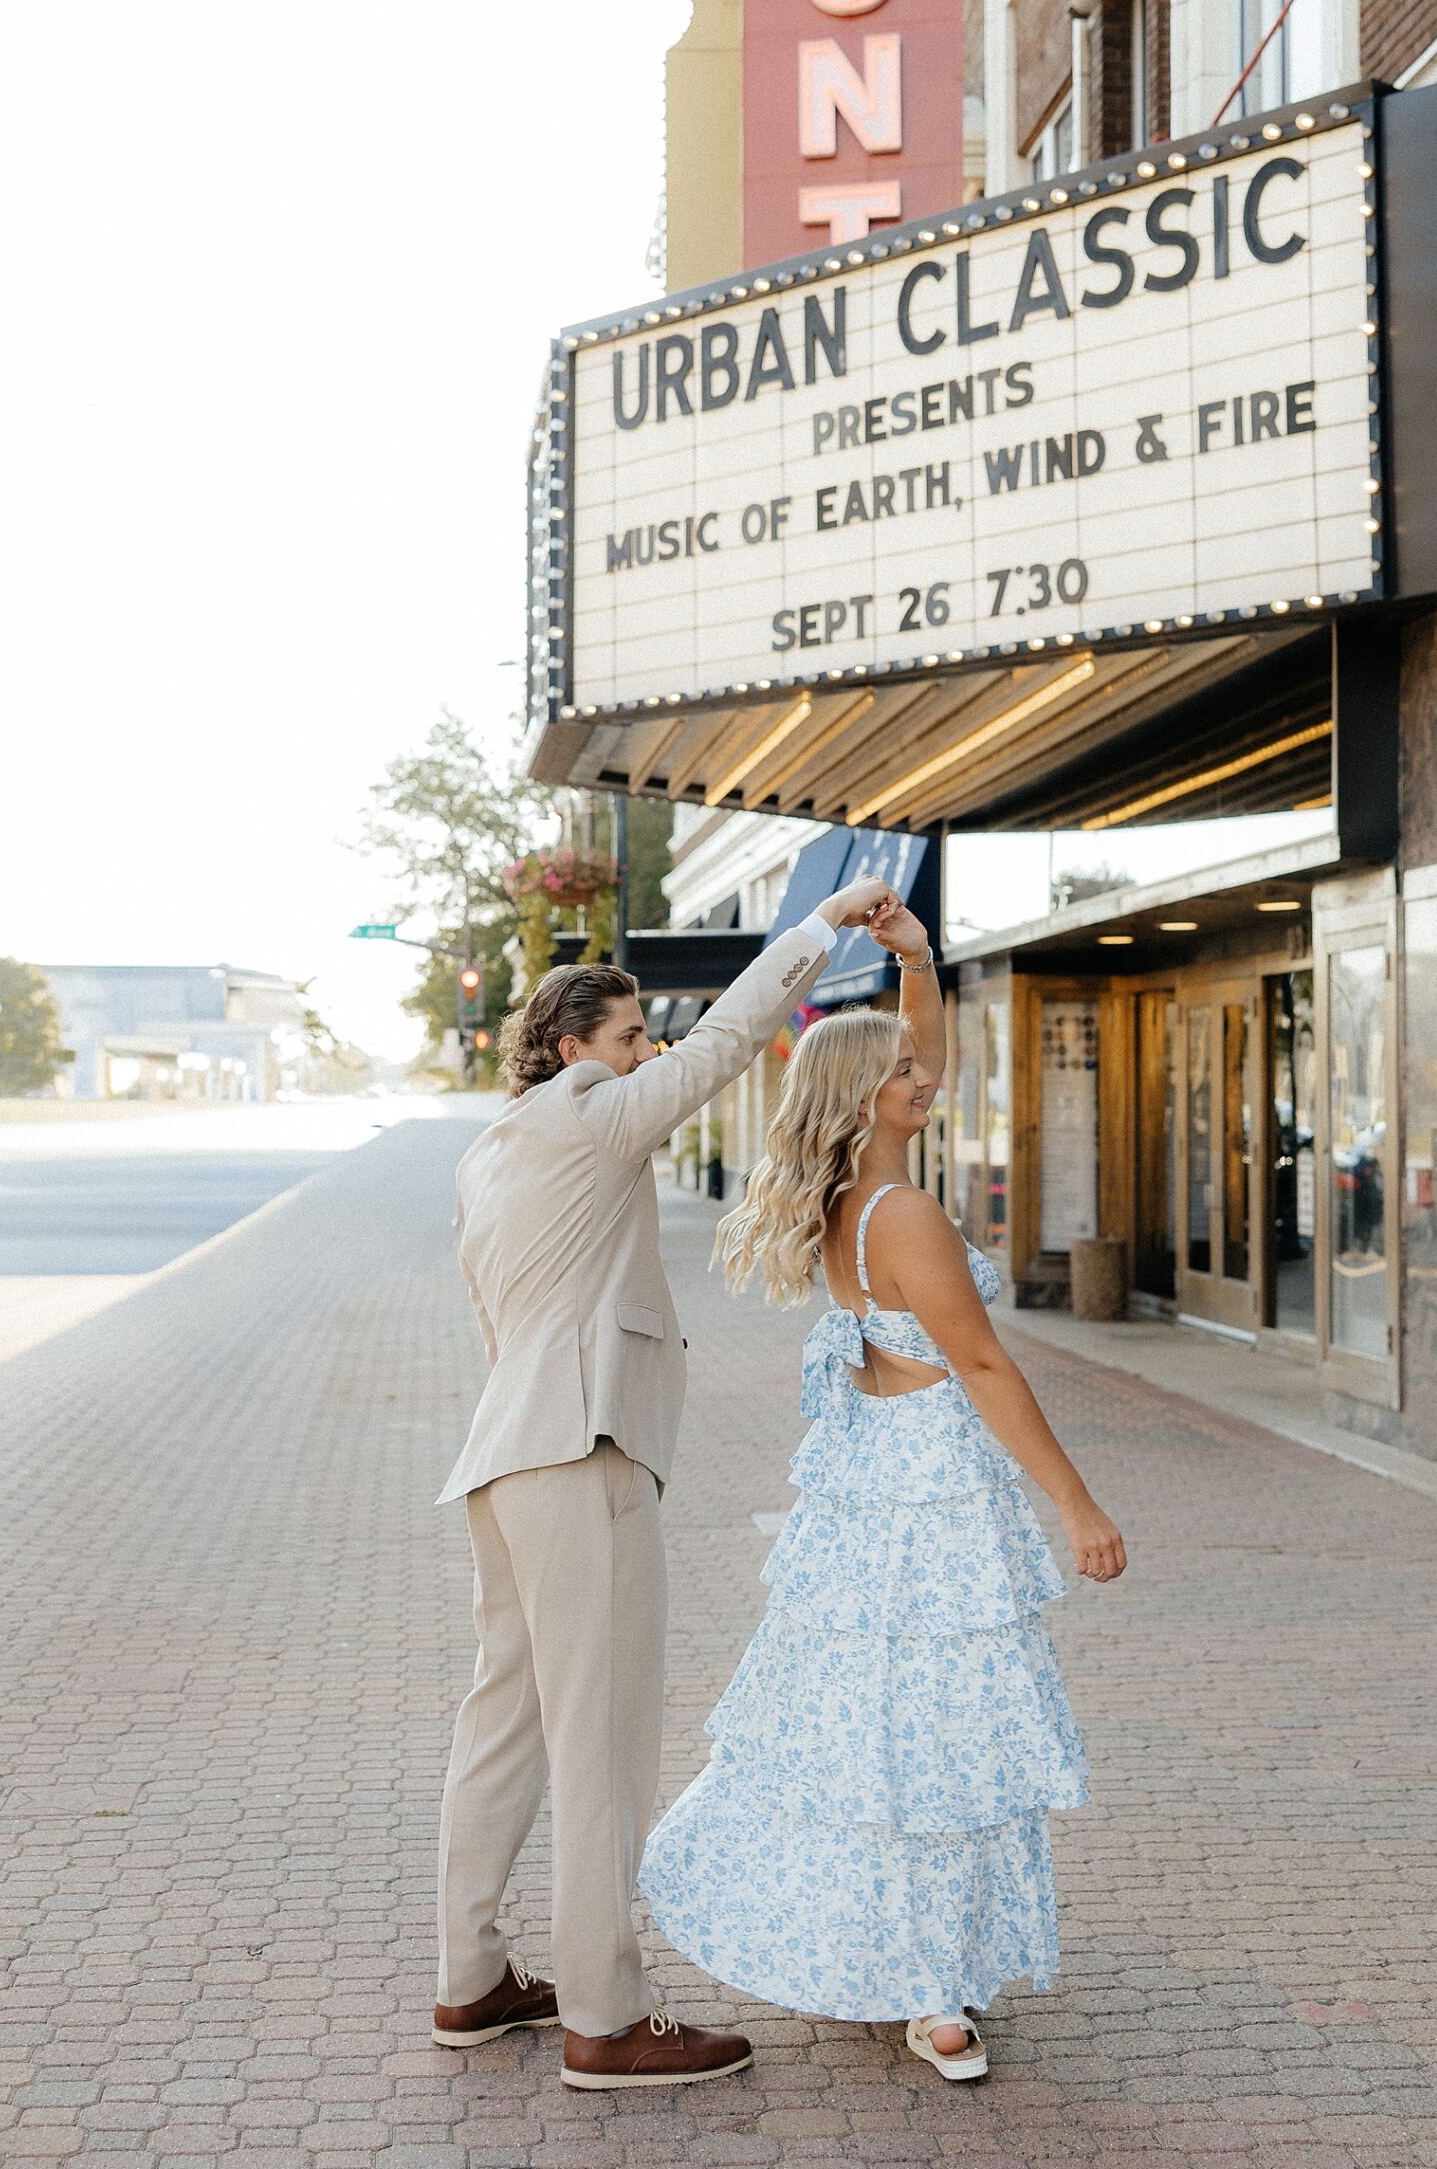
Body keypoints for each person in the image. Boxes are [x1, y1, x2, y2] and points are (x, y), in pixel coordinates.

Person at [639, 898, 1126, 2082]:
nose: (926, 1076)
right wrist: (1077, 1504)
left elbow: (930, 1056)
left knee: (890, 1731)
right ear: (865, 1098)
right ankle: (931, 1992)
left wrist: (913, 958)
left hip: (885, 1484)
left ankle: (908, 1963)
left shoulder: (859, 1195)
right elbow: (982, 1363)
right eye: (904, 1071)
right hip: (929, 1497)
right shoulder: (902, 1212)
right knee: (935, 1733)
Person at [431, 872, 901, 2090]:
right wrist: (819, 926)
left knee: (504, 1727)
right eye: (634, 1034)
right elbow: (737, 1037)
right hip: (581, 1460)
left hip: (504, 1461)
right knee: (604, 1745)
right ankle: (604, 2015)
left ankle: (472, 1978)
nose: (652, 1052)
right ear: (577, 1047)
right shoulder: (597, 1114)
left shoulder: (491, 1154)